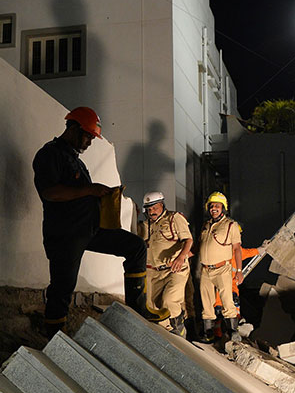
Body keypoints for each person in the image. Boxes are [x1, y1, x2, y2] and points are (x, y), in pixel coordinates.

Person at [33, 106, 166, 335]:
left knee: (135, 247)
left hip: (90, 230)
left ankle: (138, 310)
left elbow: (85, 192)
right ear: (73, 129)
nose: (90, 142)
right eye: (87, 136)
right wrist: (89, 190)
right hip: (65, 233)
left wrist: (103, 197)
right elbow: (50, 193)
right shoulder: (49, 154)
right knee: (63, 286)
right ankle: (53, 334)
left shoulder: (76, 161)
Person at [139, 191, 193, 337]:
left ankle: (178, 325)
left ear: (162, 205)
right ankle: (167, 331)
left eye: (154, 208)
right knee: (152, 307)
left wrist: (181, 257)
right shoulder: (145, 225)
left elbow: (188, 240)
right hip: (153, 272)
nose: (152, 212)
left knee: (169, 301)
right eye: (149, 209)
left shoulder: (174, 218)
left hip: (175, 269)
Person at [198, 191, 242, 339]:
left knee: (227, 300)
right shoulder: (206, 225)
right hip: (205, 270)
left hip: (222, 269)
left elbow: (237, 249)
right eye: (211, 206)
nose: (214, 208)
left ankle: (232, 332)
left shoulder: (231, 225)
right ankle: (208, 334)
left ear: (223, 208)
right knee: (206, 302)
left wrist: (239, 271)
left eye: (217, 205)